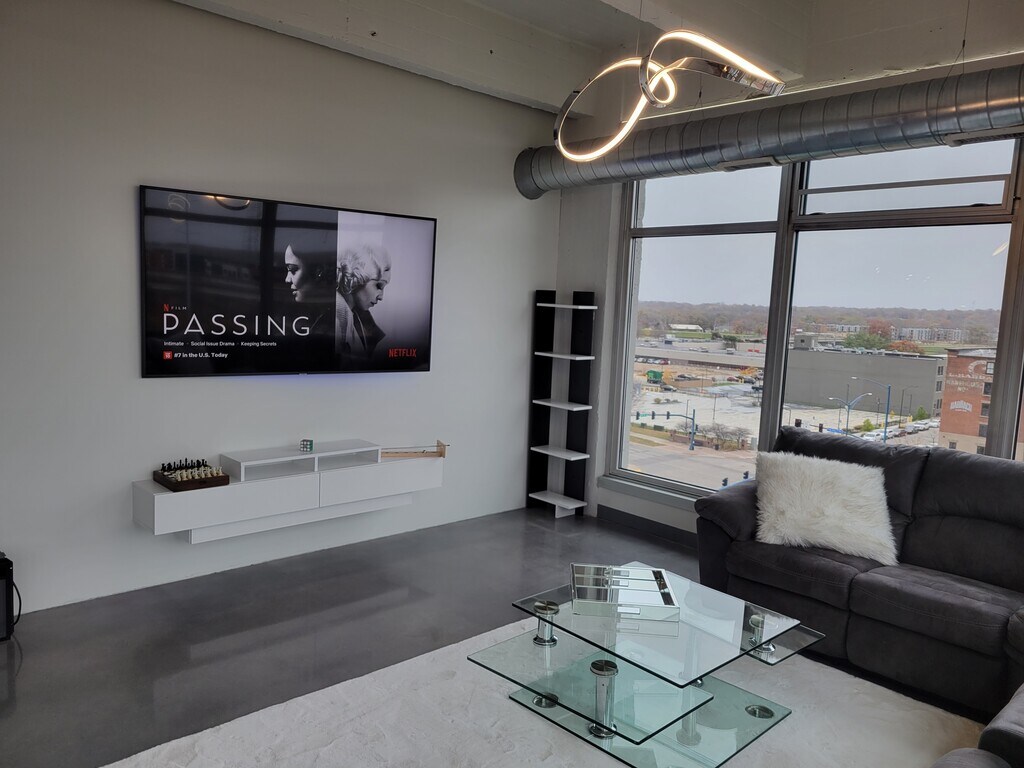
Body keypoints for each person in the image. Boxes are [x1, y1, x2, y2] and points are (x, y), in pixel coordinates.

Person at [336, 244, 391, 363]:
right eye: (379, 286)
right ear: (358, 275)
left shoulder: (361, 317)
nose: (381, 297)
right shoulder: (336, 317)